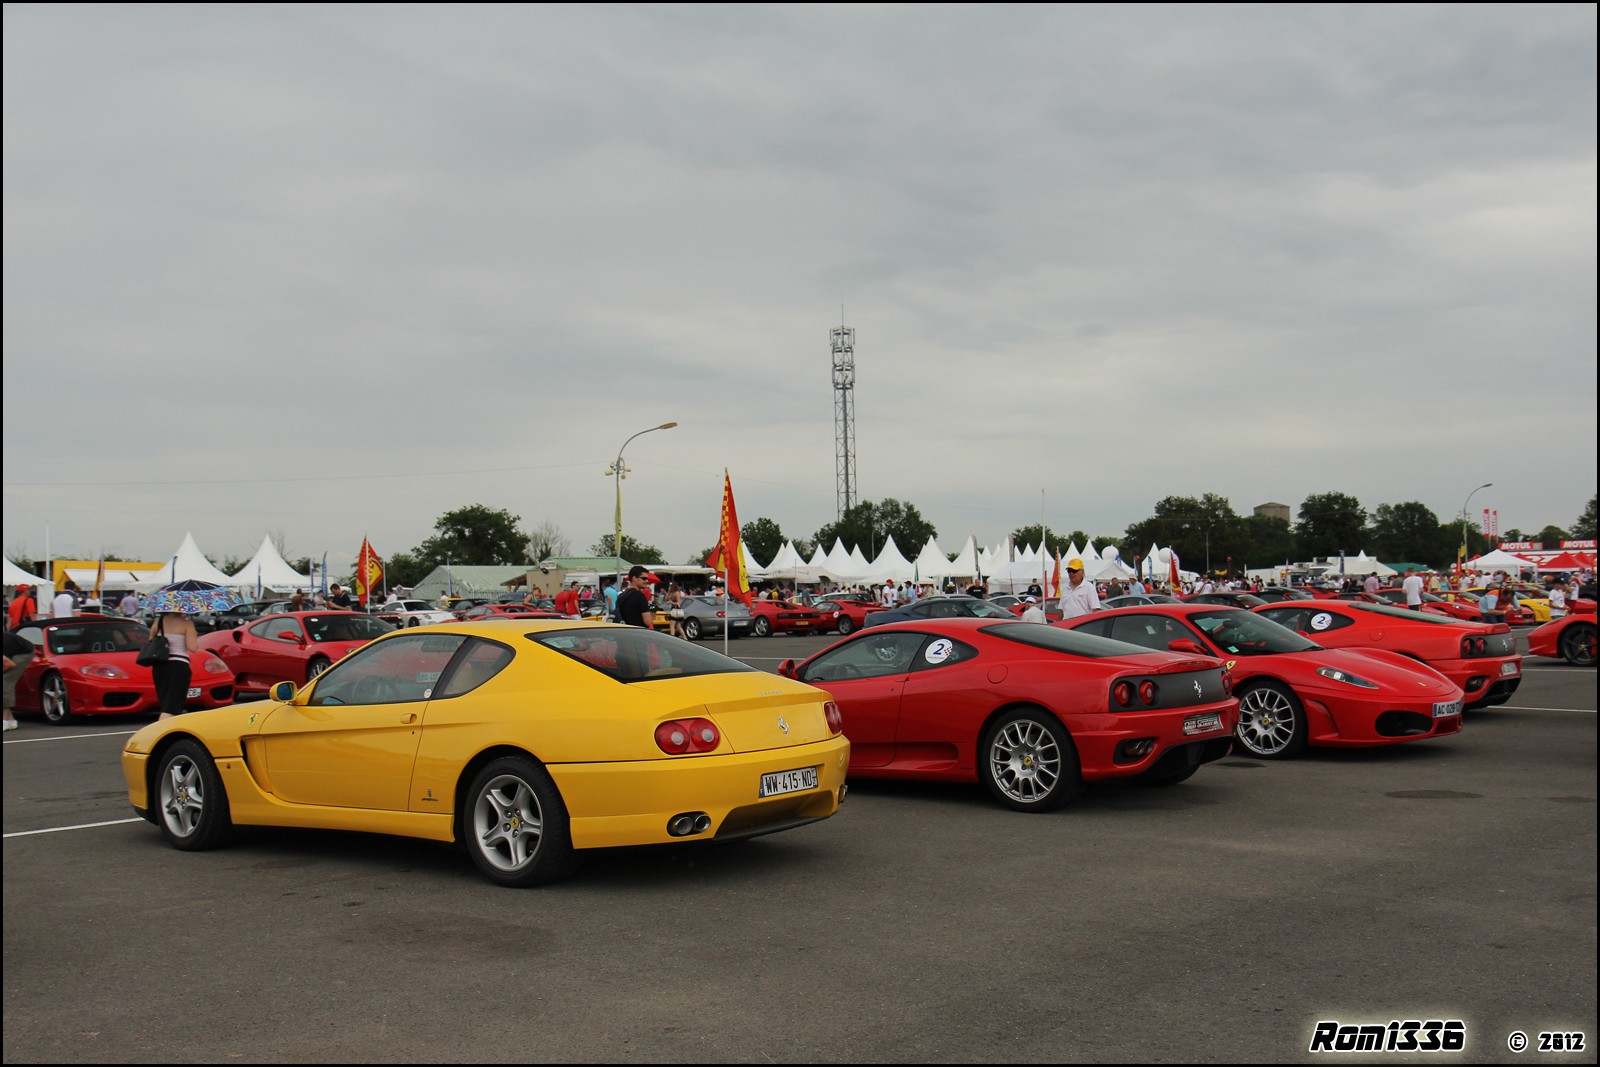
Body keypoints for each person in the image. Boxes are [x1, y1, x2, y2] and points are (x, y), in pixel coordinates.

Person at [148, 609, 202, 719]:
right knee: (172, 706)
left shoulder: (158, 622)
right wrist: (194, 634)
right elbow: (192, 647)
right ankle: (161, 730)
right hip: (178, 666)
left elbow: (151, 640)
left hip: (159, 665)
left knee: (165, 703)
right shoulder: (187, 624)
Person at [3, 625, 33, 731]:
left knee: (5, 681)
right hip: (12, 650)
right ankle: (11, 721)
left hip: (24, 653)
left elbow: (10, 665)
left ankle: (5, 720)